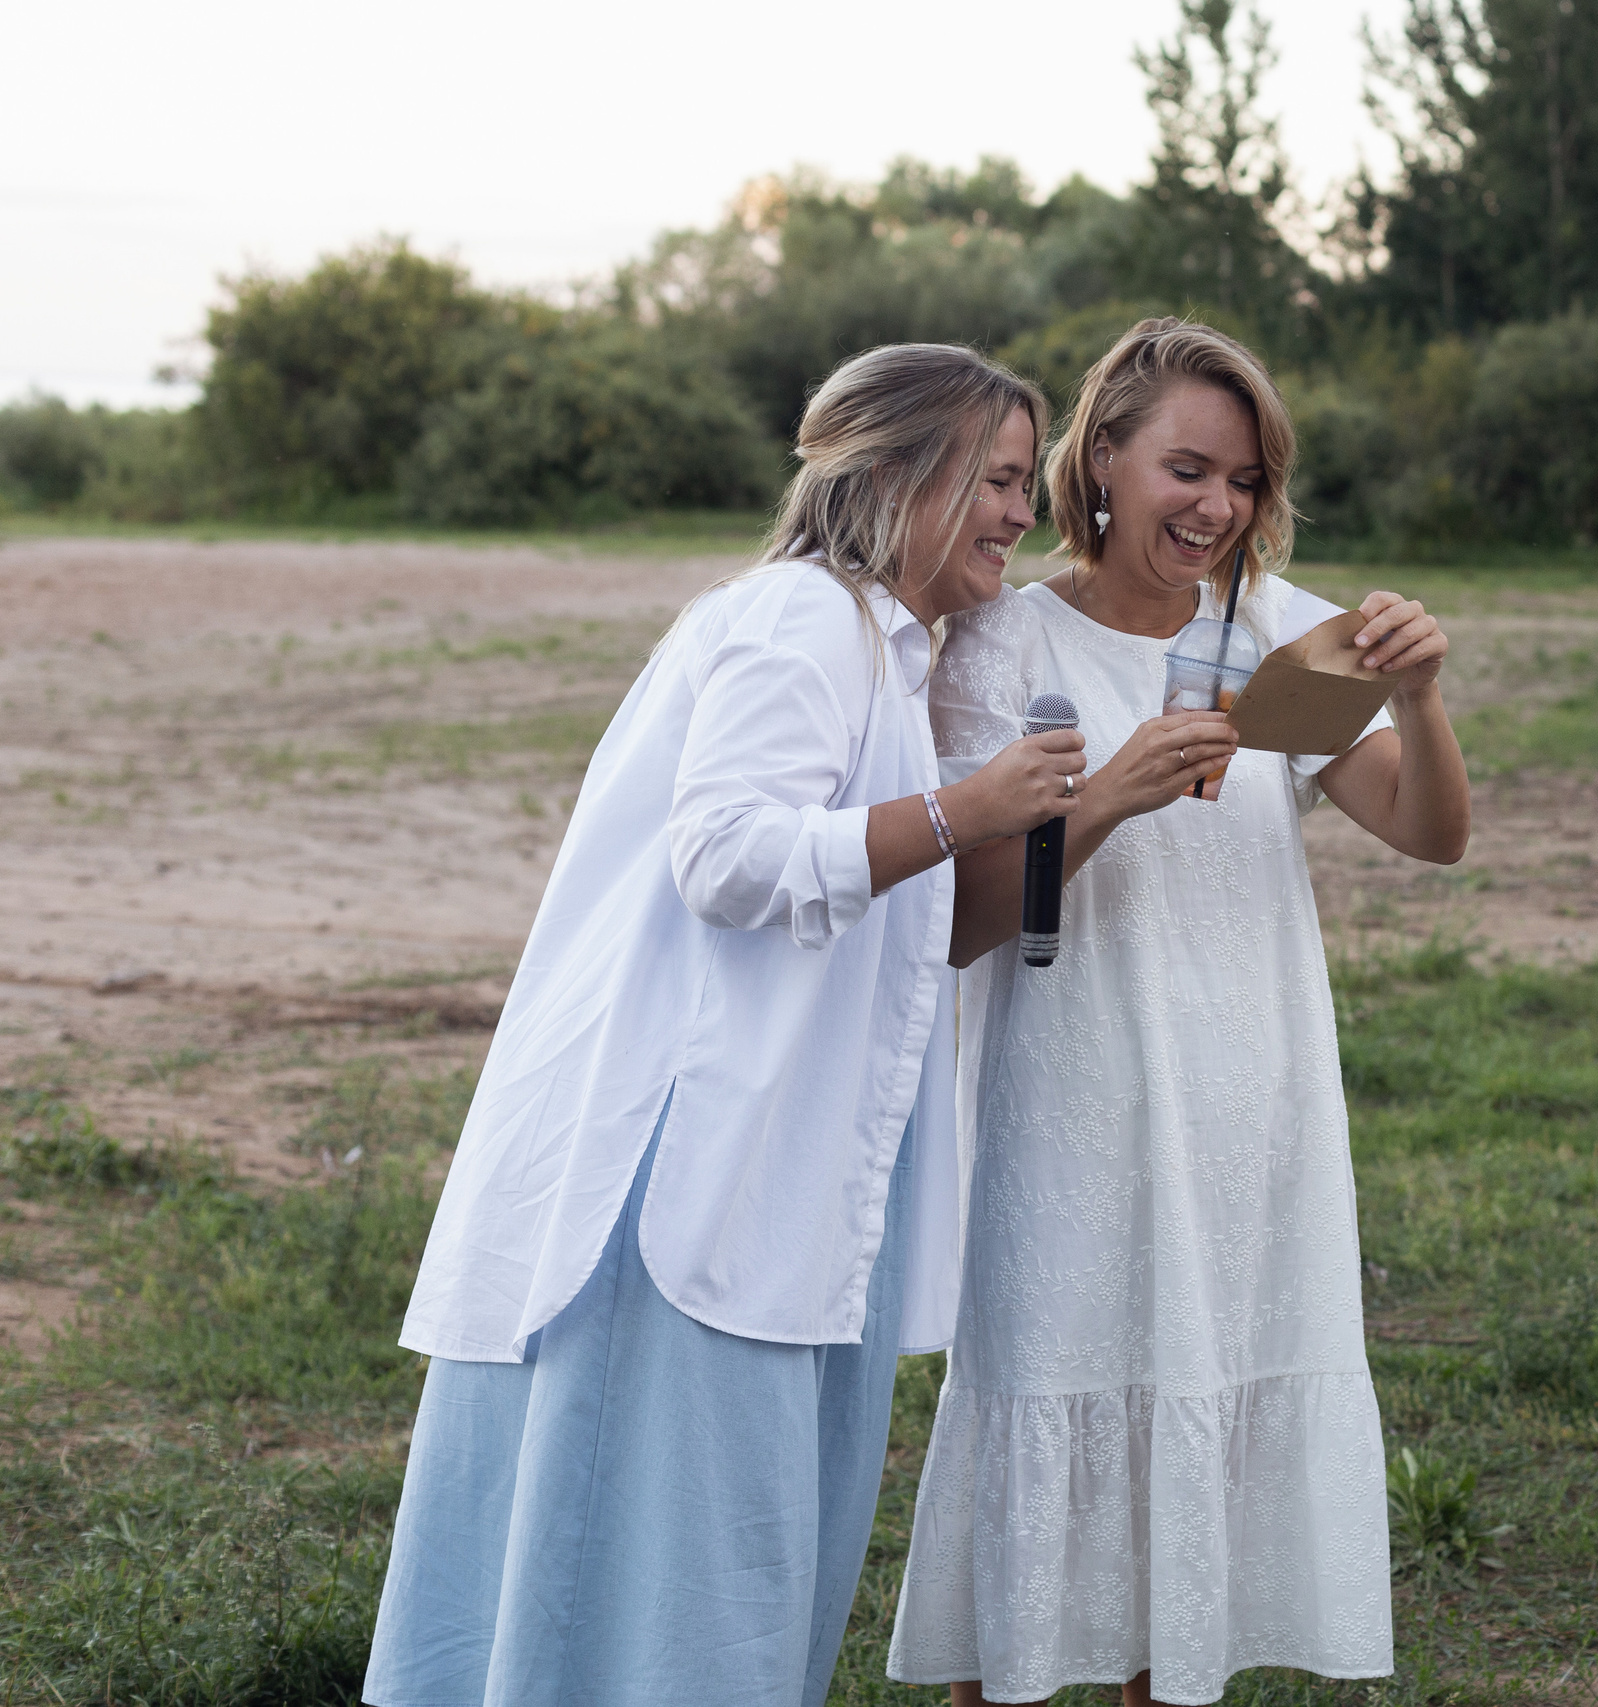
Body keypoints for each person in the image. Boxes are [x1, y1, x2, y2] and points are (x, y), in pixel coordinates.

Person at [362, 343, 1088, 1707]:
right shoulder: (799, 621)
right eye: (997, 482)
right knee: (656, 1560)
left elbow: (899, 918)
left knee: (730, 1564)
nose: (1020, 517)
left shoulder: (889, 650)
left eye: (1025, 487)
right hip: (685, 1166)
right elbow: (729, 856)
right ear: (897, 475)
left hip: (783, 1165)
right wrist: (963, 810)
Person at [886, 318, 1471, 1707]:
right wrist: (1107, 796)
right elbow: (963, 921)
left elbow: (1430, 833)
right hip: (1062, 1104)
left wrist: (1422, 700)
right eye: (1189, 469)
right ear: (1102, 461)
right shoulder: (1001, 640)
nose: (1218, 507)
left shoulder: (1279, 634)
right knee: (1043, 1432)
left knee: (1187, 1463)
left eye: (1247, 481)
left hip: (1244, 1097)